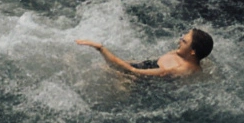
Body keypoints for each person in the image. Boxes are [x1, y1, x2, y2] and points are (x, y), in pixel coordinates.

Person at [76, 28, 213, 78]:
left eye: (184, 40)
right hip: (145, 67)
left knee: (98, 71)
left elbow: (133, 71)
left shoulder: (179, 70)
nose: (179, 40)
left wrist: (101, 48)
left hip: (138, 81)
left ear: (192, 51)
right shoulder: (185, 55)